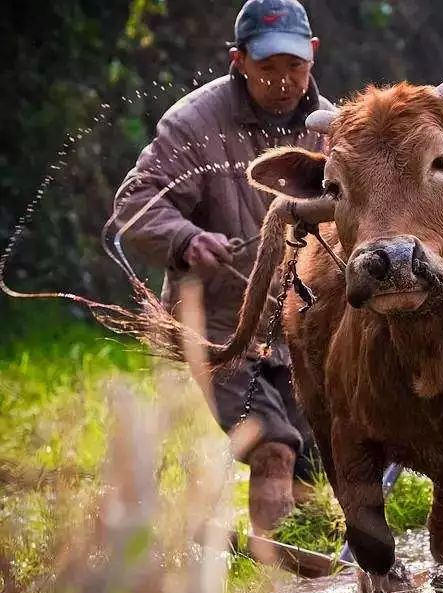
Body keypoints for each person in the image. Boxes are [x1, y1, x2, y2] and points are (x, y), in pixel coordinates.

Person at [112, 0, 332, 535]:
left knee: (319, 456)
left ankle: (311, 567)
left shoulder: (332, 129)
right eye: (267, 69)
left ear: (314, 56)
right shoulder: (195, 124)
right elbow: (134, 205)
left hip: (302, 324)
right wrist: (187, 239)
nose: (283, 82)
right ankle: (271, 564)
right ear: (238, 60)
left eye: (295, 67)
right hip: (218, 330)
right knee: (273, 447)